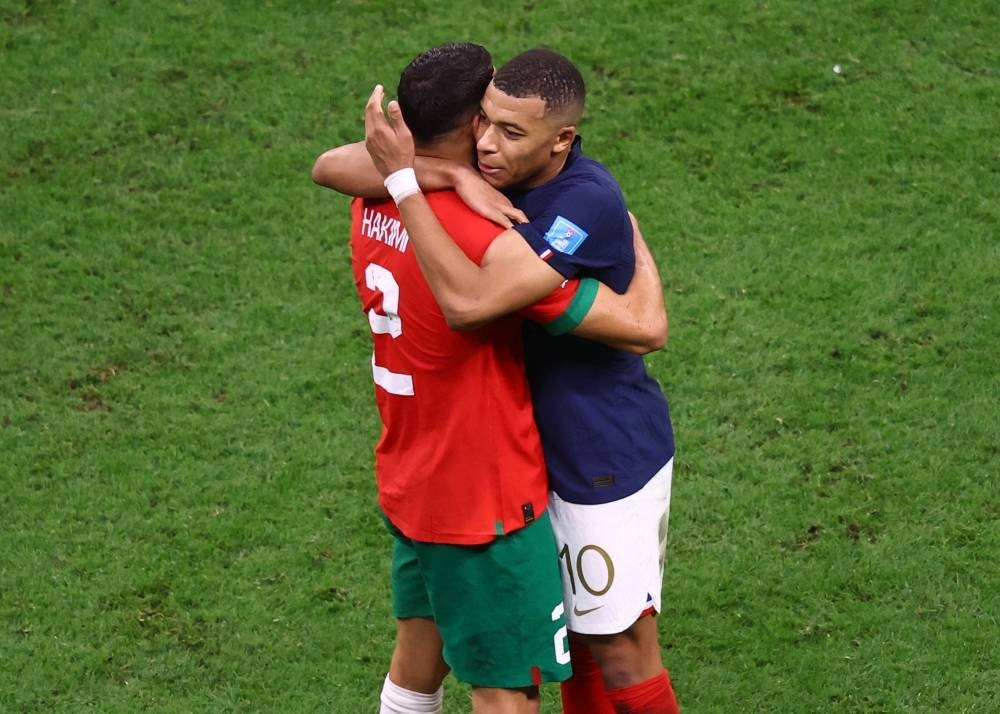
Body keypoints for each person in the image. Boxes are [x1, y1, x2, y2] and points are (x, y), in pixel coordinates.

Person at [314, 43, 667, 714]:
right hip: (485, 493)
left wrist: (420, 175)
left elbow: (330, 165)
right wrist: (642, 268)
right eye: (490, 123)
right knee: (508, 685)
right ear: (471, 122)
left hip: (453, 466)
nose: (497, 143)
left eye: (513, 129)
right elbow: (636, 324)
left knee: (432, 654)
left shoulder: (371, 202)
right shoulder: (485, 236)